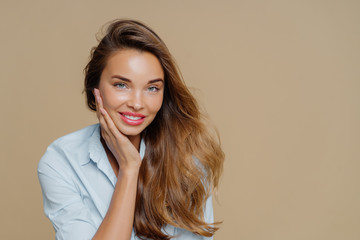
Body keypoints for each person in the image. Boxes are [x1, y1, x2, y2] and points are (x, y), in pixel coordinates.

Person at [38, 19, 224, 240]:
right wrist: (129, 167)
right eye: (121, 85)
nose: (137, 103)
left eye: (152, 88)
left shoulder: (188, 159)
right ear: (95, 88)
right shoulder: (61, 161)